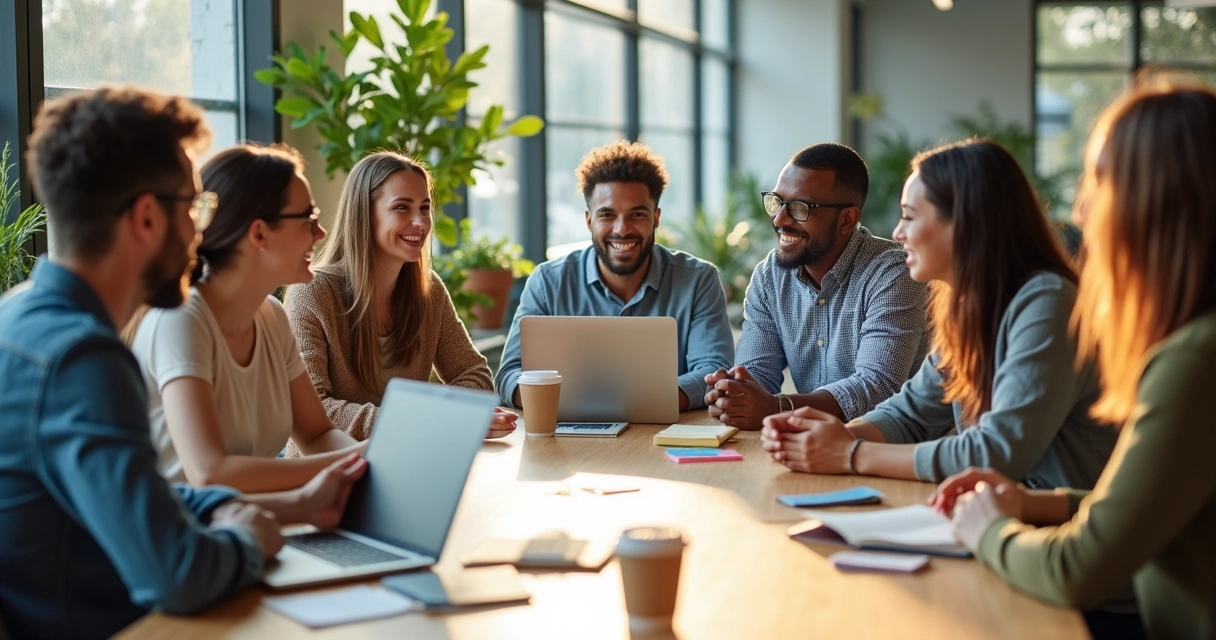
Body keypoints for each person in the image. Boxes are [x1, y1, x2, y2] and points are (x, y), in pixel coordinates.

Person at [0, 86, 366, 640]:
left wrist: (260, 507)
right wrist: (249, 537)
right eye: (194, 208)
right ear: (147, 218)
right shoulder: (83, 361)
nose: (202, 233)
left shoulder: (19, 316)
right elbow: (178, 575)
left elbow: (143, 491)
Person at [935, 83, 1216, 640]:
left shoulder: (1194, 359)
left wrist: (989, 529)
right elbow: (1162, 493)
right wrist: (1035, 502)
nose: (1082, 208)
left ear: (1157, 199)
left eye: (1100, 181)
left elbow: (1076, 571)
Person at [759, 138, 1117, 491]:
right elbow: (911, 413)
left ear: (964, 223)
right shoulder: (970, 306)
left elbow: (999, 452)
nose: (898, 234)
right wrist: (825, 439)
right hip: (989, 513)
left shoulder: (1048, 303)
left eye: (910, 217)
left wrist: (850, 453)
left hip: (1055, 526)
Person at [129, 144, 365, 493]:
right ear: (259, 234)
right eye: (308, 220)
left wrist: (371, 460)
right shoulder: (180, 321)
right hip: (178, 541)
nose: (321, 233)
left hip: (253, 524)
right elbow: (210, 474)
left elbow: (318, 434)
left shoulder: (271, 316)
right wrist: (364, 459)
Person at [284, 151, 516, 445]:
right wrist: (430, 419)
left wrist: (437, 420)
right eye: (402, 208)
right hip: (327, 472)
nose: (420, 222)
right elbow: (314, 412)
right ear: (364, 215)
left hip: (411, 459)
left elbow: (474, 374)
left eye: (424, 207)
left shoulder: (428, 290)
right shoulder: (312, 293)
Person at [705, 142, 929, 430]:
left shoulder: (895, 274)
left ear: (847, 219)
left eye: (800, 208)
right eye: (778, 202)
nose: (779, 219)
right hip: (812, 442)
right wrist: (734, 392)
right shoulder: (770, 276)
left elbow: (877, 387)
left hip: (899, 447)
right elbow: (757, 372)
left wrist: (777, 407)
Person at [495, 140, 733, 410]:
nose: (622, 229)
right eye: (607, 215)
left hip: (664, 438)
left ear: (656, 218)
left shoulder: (699, 280)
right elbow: (509, 375)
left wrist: (620, 403)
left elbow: (714, 372)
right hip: (565, 440)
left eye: (637, 214)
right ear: (588, 220)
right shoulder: (548, 282)